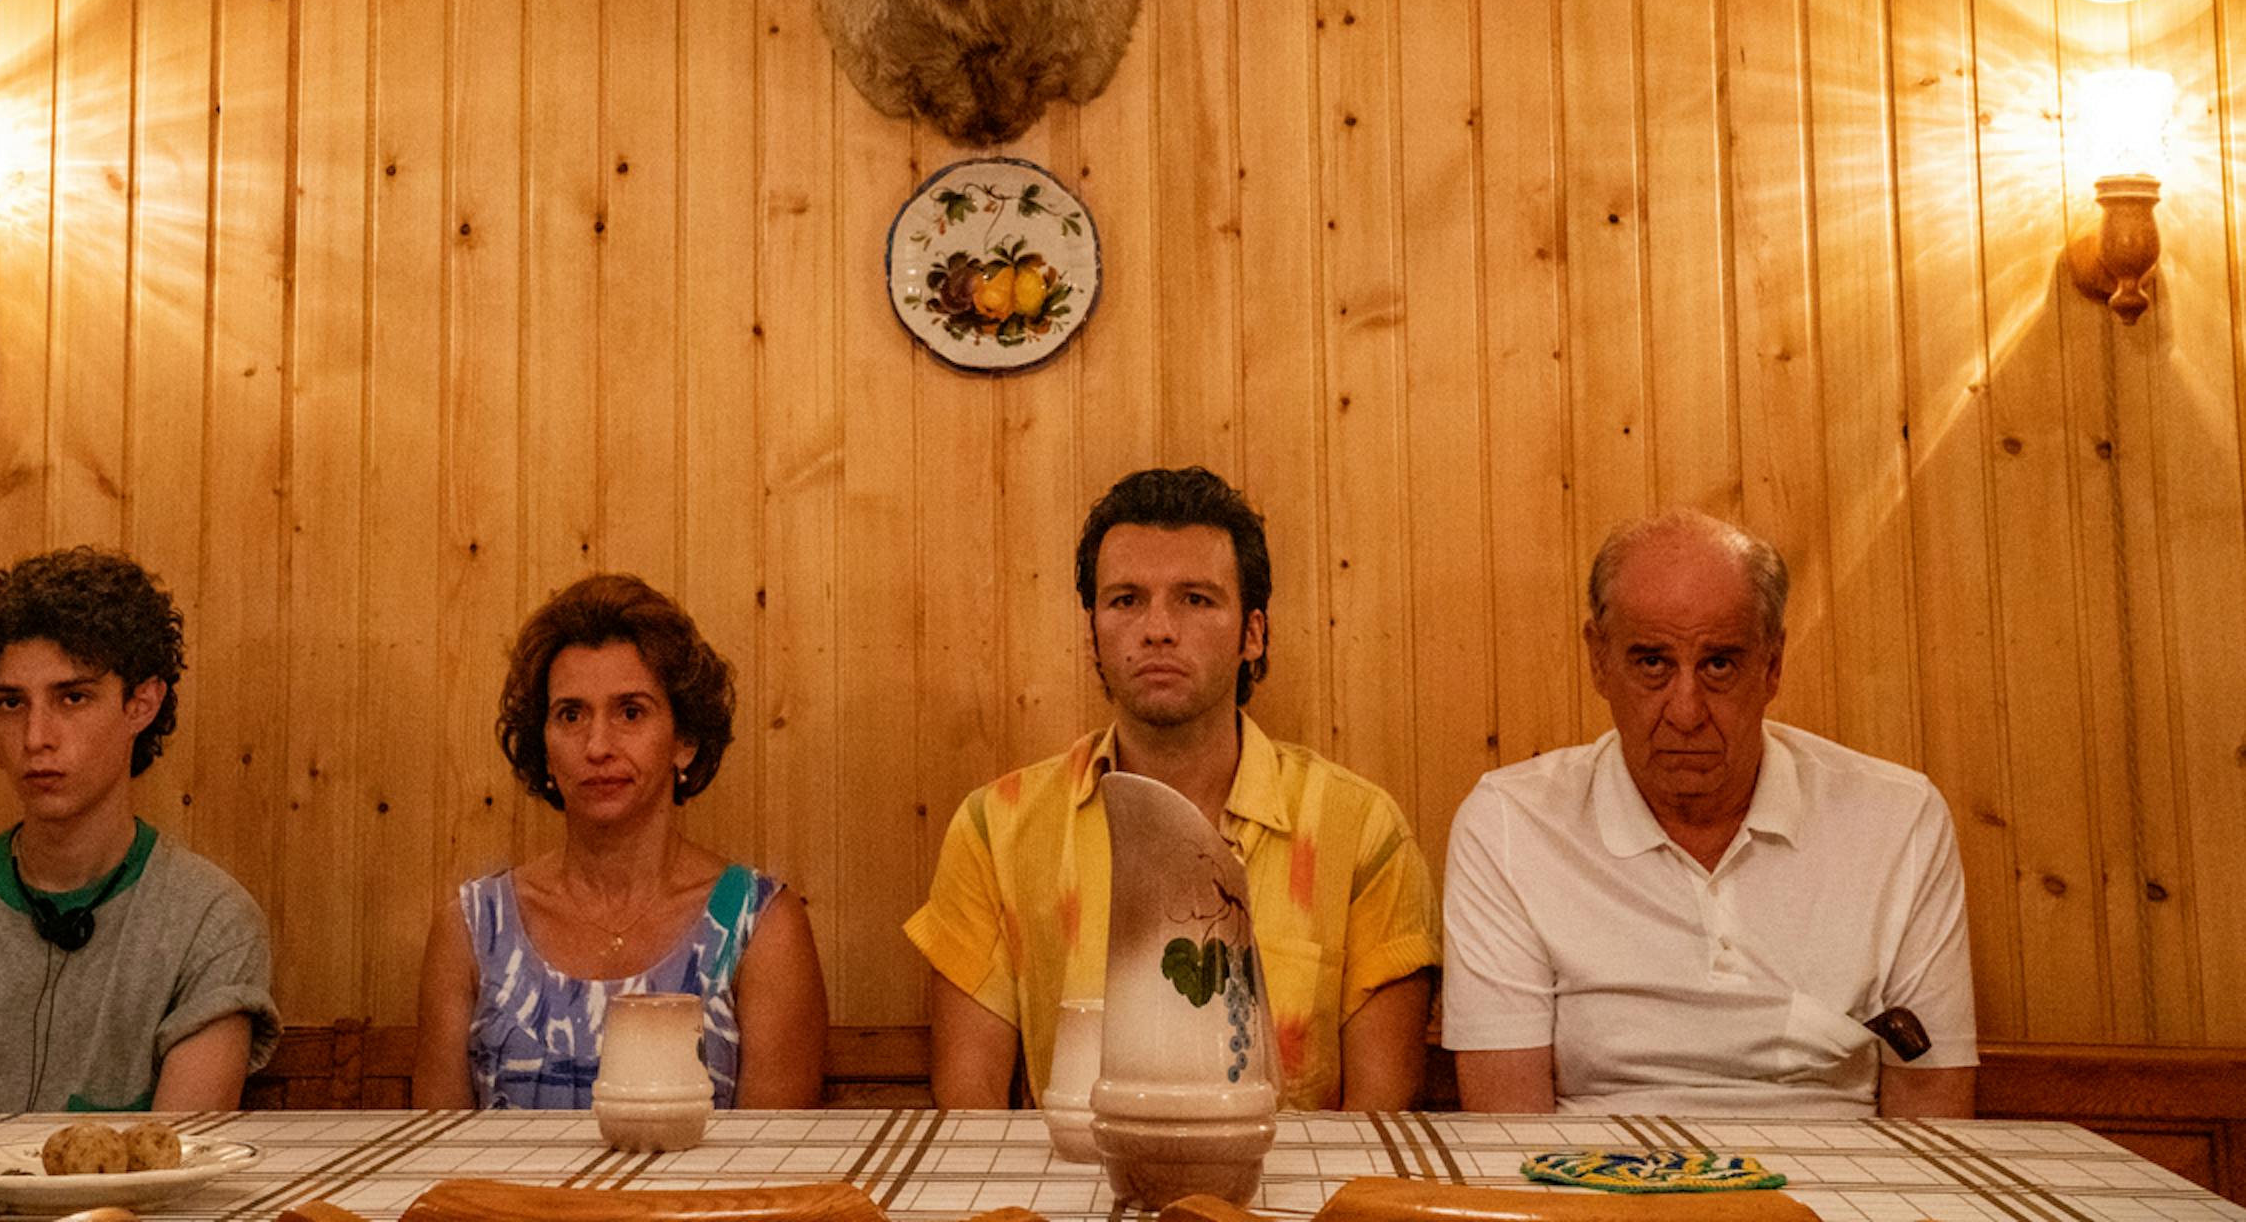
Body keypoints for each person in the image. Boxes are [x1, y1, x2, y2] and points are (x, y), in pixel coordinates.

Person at [906, 467, 1439, 1112]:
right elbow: (972, 1107)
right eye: (1126, 599)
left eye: (1196, 599)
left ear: (1253, 634)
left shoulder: (1360, 832)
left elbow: (1375, 1122)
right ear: (1093, 634)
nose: (1158, 628)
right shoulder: (998, 827)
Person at [1442, 509, 1978, 1119]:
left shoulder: (1897, 818)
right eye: (1652, 663)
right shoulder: (1512, 823)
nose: (1686, 711)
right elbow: (1509, 1126)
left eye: (1719, 663)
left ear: (1772, 665)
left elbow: (1933, 1112)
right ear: (1598, 659)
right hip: (1594, 1197)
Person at [0, 549, 277, 1113]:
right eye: (10, 703)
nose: (36, 736)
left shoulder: (208, 920)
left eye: (73, 697)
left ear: (142, 703)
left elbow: (177, 1162)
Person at [412, 573, 828, 1108]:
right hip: (503, 1196)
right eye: (571, 715)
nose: (598, 745)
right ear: (543, 743)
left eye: (631, 712)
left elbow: (776, 1167)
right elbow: (437, 1160)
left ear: (684, 741)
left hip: (707, 1197)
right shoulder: (472, 928)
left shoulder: (758, 925)